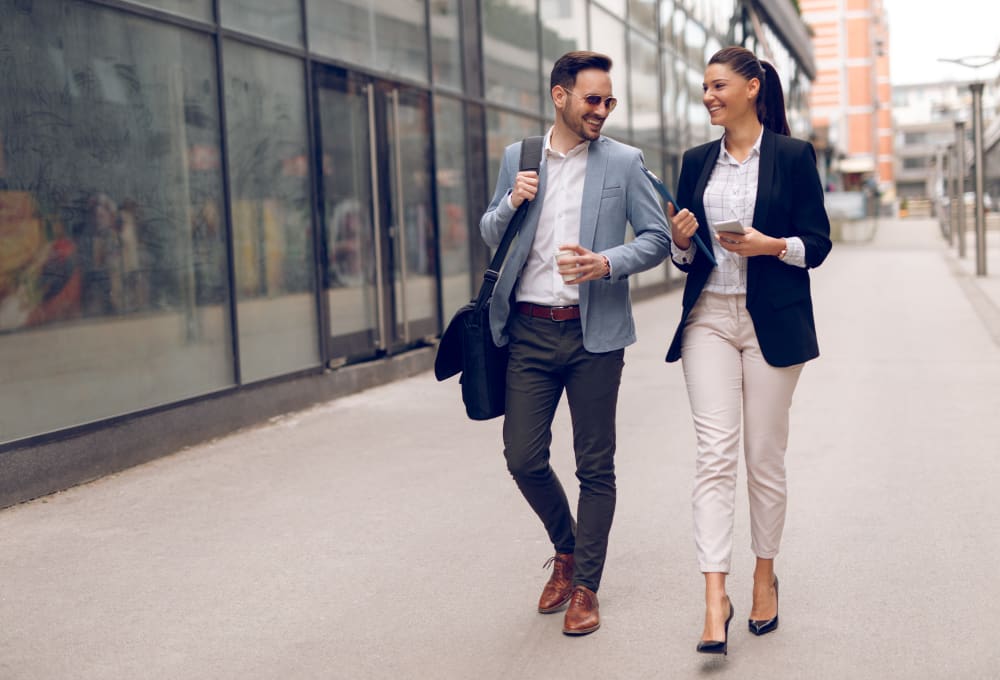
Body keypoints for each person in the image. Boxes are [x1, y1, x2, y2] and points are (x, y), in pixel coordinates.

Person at [480, 50, 671, 636]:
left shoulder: (624, 161)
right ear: (560, 96)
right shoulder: (520, 157)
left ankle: (586, 585)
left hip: (595, 337)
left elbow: (658, 237)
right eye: (593, 99)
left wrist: (606, 263)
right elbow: (491, 233)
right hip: (530, 332)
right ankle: (565, 549)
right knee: (523, 457)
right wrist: (512, 200)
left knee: (596, 465)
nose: (603, 110)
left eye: (609, 101)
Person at [664, 46, 832, 655]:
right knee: (714, 455)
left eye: (718, 85)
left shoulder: (792, 156)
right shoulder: (694, 161)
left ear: (752, 87)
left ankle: (764, 575)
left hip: (771, 325)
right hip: (708, 317)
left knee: (763, 457)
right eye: (704, 88)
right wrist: (682, 243)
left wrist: (770, 246)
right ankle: (715, 597)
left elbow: (817, 244)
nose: (709, 96)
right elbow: (685, 259)